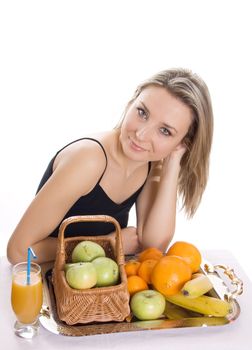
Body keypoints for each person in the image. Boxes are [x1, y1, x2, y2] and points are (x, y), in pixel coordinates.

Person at [7, 68, 213, 264]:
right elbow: (19, 252)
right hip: (50, 286)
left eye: (165, 131)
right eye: (142, 112)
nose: (141, 135)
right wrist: (108, 244)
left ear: (183, 142)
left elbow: (154, 246)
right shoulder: (88, 160)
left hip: (96, 288)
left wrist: (173, 163)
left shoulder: (149, 162)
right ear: (131, 103)